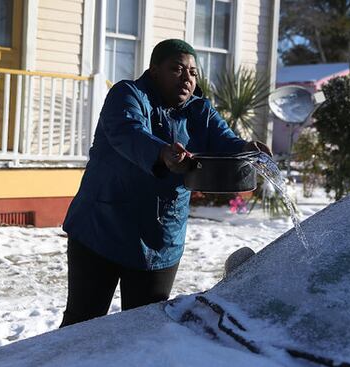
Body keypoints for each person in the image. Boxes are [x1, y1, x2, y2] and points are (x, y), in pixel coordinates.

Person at [59, 39, 270, 327]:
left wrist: (247, 149)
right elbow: (129, 133)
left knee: (143, 329)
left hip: (160, 241)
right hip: (102, 229)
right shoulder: (127, 94)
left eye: (193, 73)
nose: (187, 79)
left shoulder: (201, 111)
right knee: (81, 324)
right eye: (177, 69)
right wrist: (162, 153)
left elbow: (225, 143)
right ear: (154, 70)